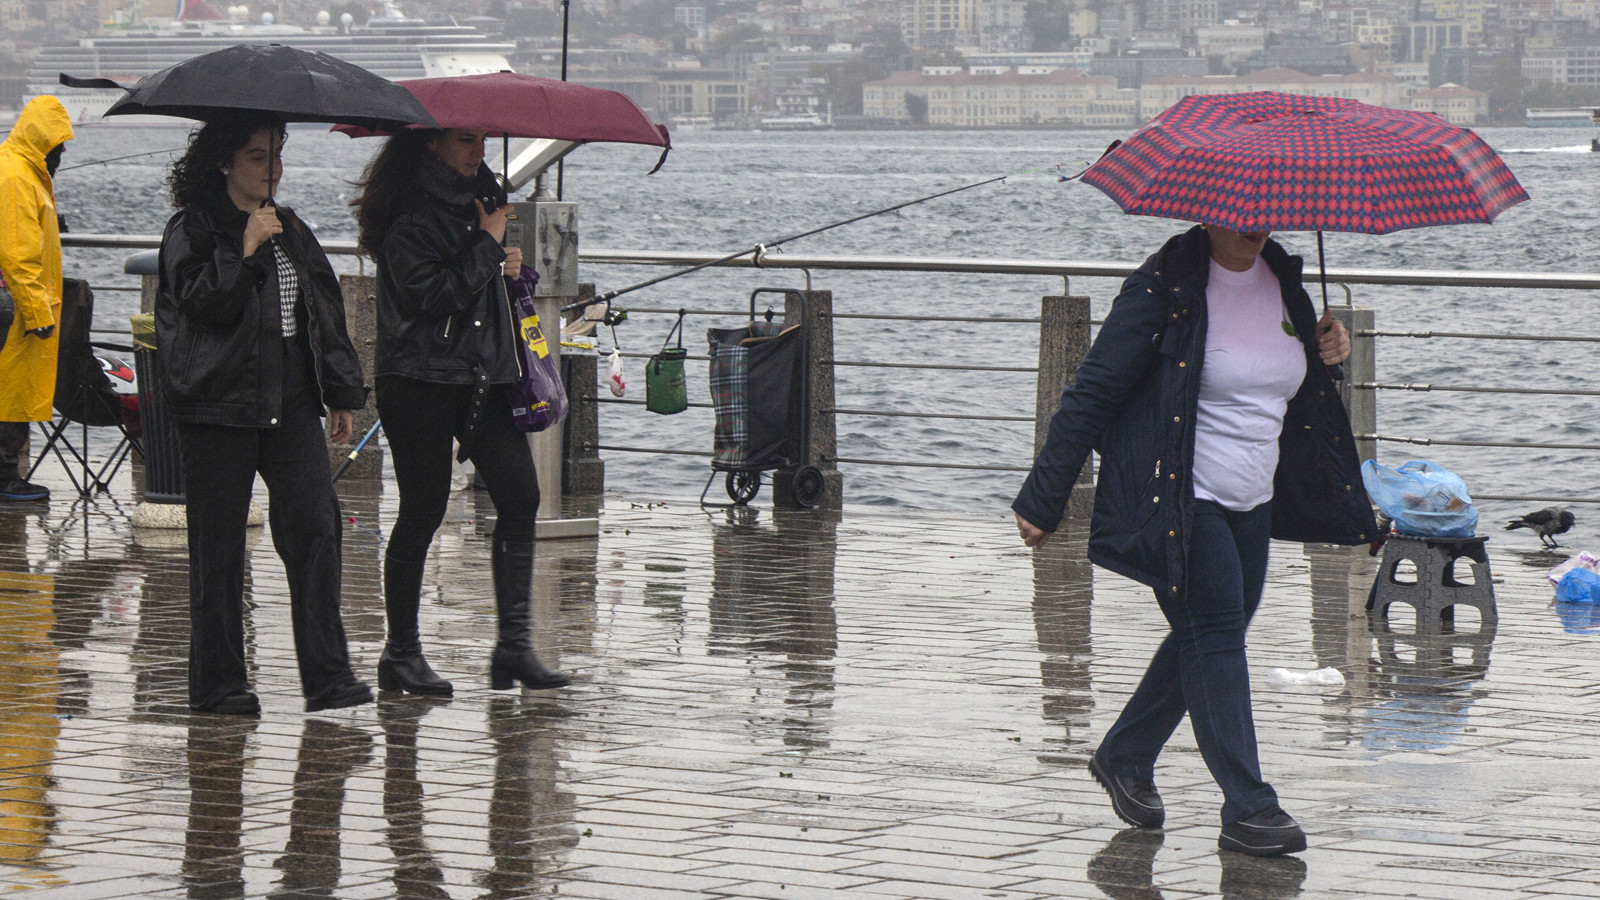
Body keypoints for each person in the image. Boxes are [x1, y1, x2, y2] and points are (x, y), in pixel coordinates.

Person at [1012, 224, 1375, 857]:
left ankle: (1125, 754)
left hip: (1253, 495)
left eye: (1265, 212)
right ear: (1207, 211)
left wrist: (1326, 355)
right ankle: (1249, 808)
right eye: (1240, 214)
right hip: (1180, 493)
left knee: (1214, 633)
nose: (1255, 225)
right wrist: (1045, 495)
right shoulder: (1164, 285)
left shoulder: (1286, 281)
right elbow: (1094, 389)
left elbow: (1290, 387)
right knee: (1213, 633)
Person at [158, 113, 373, 715]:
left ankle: (328, 677)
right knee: (219, 551)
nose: (271, 166)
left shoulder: (292, 229)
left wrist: (340, 392)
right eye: (257, 155)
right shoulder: (192, 230)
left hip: (290, 403)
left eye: (277, 153)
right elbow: (202, 306)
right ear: (223, 162)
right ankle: (219, 686)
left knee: (316, 533)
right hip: (217, 407)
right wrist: (245, 251)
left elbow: (323, 312)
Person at [351, 128, 570, 696]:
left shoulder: (484, 200)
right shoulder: (406, 211)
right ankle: (400, 654)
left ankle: (514, 647)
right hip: (419, 377)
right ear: (430, 144)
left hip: (481, 375)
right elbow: (430, 294)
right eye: (464, 140)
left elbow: (476, 287)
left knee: (521, 495)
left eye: (479, 139)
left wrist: (508, 264)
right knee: (422, 510)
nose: (477, 150)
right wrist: (487, 245)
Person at [0, 96, 73, 503]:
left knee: (13, 390)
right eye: (57, 146)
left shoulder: (24, 170)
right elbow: (16, 252)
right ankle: (7, 476)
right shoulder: (15, 175)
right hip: (14, 309)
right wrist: (36, 311)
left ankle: (8, 473)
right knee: (10, 392)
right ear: (41, 141)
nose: (61, 154)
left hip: (17, 305)